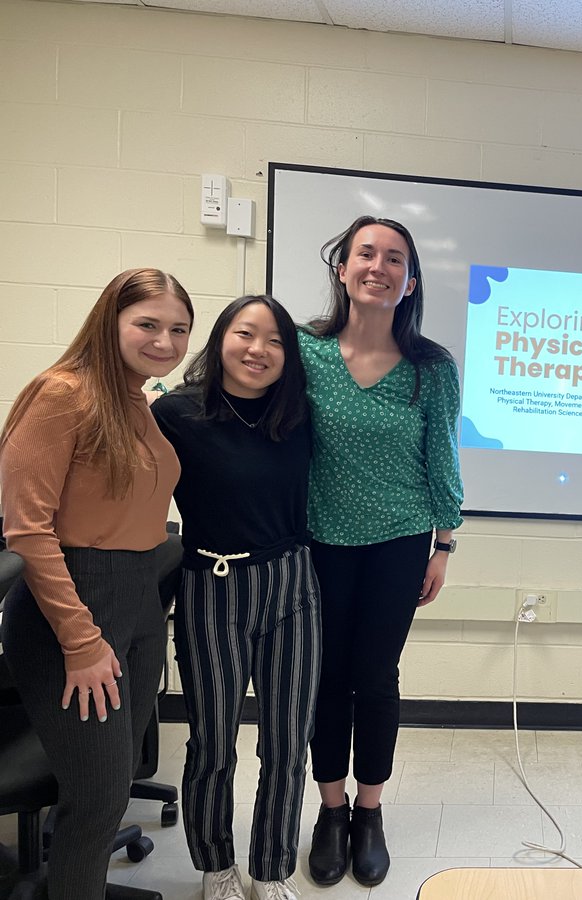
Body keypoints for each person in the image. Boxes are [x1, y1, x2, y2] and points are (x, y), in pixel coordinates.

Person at [0, 268, 193, 899]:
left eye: (178, 329)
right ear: (109, 320)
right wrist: (81, 642)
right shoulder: (62, 393)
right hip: (75, 607)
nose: (164, 340)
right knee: (99, 795)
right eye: (147, 324)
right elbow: (27, 532)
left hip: (135, 600)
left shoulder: (135, 399)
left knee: (108, 790)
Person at [300, 215, 463, 888]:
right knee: (326, 679)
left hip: (400, 543)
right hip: (317, 543)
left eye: (394, 258)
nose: (379, 265)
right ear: (342, 268)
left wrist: (444, 544)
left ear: (409, 280)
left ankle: (369, 811)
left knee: (378, 677)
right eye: (366, 253)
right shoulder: (303, 352)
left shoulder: (431, 368)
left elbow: (443, 459)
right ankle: (330, 810)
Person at [151, 295, 318, 900]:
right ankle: (216, 867)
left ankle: (271, 870)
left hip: (292, 588)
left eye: (275, 341)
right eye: (246, 334)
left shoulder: (300, 415)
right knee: (213, 742)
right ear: (220, 338)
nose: (259, 350)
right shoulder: (174, 414)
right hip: (210, 589)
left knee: (286, 743)